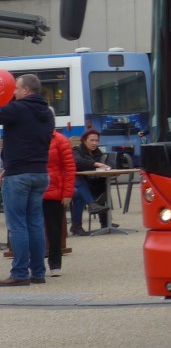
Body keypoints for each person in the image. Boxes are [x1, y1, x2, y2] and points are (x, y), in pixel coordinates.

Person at [0, 73, 55, 285]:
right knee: (35, 224)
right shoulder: (47, 113)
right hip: (40, 172)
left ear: (25, 90)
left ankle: (20, 274)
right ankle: (38, 272)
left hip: (19, 174)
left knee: (18, 226)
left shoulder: (18, 109)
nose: (12, 92)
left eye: (16, 89)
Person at [43, 128, 76, 276]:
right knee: (33, 228)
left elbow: (69, 167)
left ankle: (55, 263)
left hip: (54, 191)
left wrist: (67, 193)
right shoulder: (30, 136)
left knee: (54, 229)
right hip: (34, 191)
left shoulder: (60, 140)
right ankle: (36, 264)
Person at [71, 128, 114, 234]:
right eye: (92, 140)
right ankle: (91, 206)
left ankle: (105, 222)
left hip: (90, 184)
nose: (94, 143)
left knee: (103, 185)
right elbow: (78, 162)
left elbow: (105, 162)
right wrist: (96, 164)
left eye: (96, 140)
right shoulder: (77, 150)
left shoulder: (97, 151)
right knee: (78, 189)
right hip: (75, 184)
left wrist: (106, 167)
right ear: (84, 140)